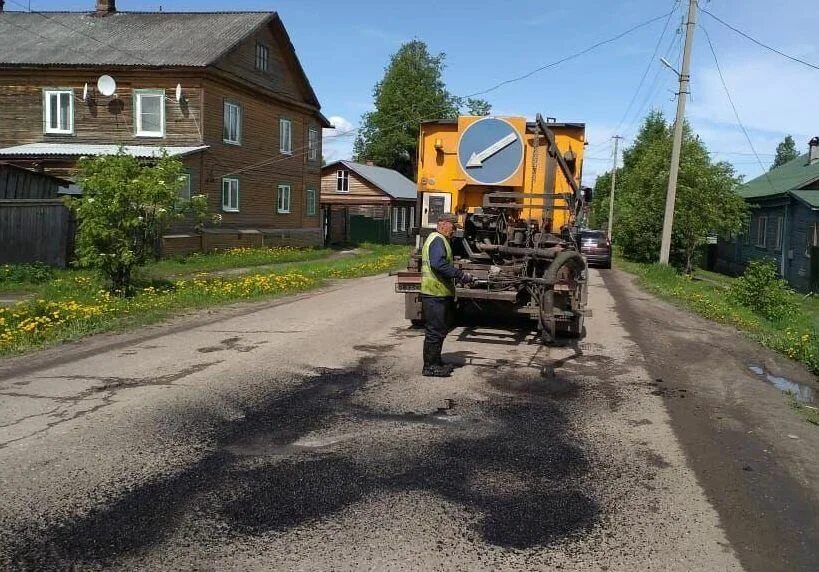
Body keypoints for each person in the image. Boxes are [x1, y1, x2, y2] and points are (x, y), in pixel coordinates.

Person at [420, 214, 474, 377]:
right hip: (434, 293)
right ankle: (430, 367)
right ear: (442, 224)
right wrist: (460, 275)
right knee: (435, 331)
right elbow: (438, 264)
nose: (455, 230)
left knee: (439, 329)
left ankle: (435, 362)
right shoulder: (437, 239)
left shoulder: (439, 239)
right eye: (453, 226)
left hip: (437, 292)